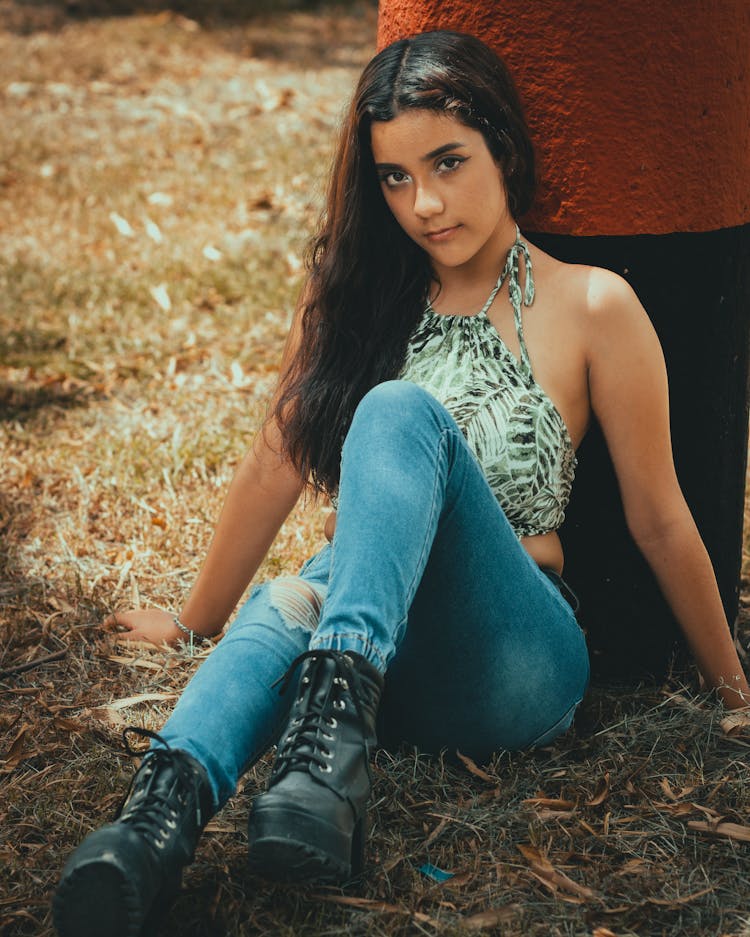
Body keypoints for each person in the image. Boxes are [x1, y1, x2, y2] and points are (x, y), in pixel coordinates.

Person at [53, 29, 750, 937]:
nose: (424, 203)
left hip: (514, 656)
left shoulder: (593, 305)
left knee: (396, 413)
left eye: (449, 162)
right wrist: (193, 620)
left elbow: (659, 515)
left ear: (503, 145)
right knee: (293, 596)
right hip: (377, 668)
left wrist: (733, 685)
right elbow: (275, 459)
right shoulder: (360, 299)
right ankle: (151, 828)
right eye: (394, 177)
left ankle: (326, 736)